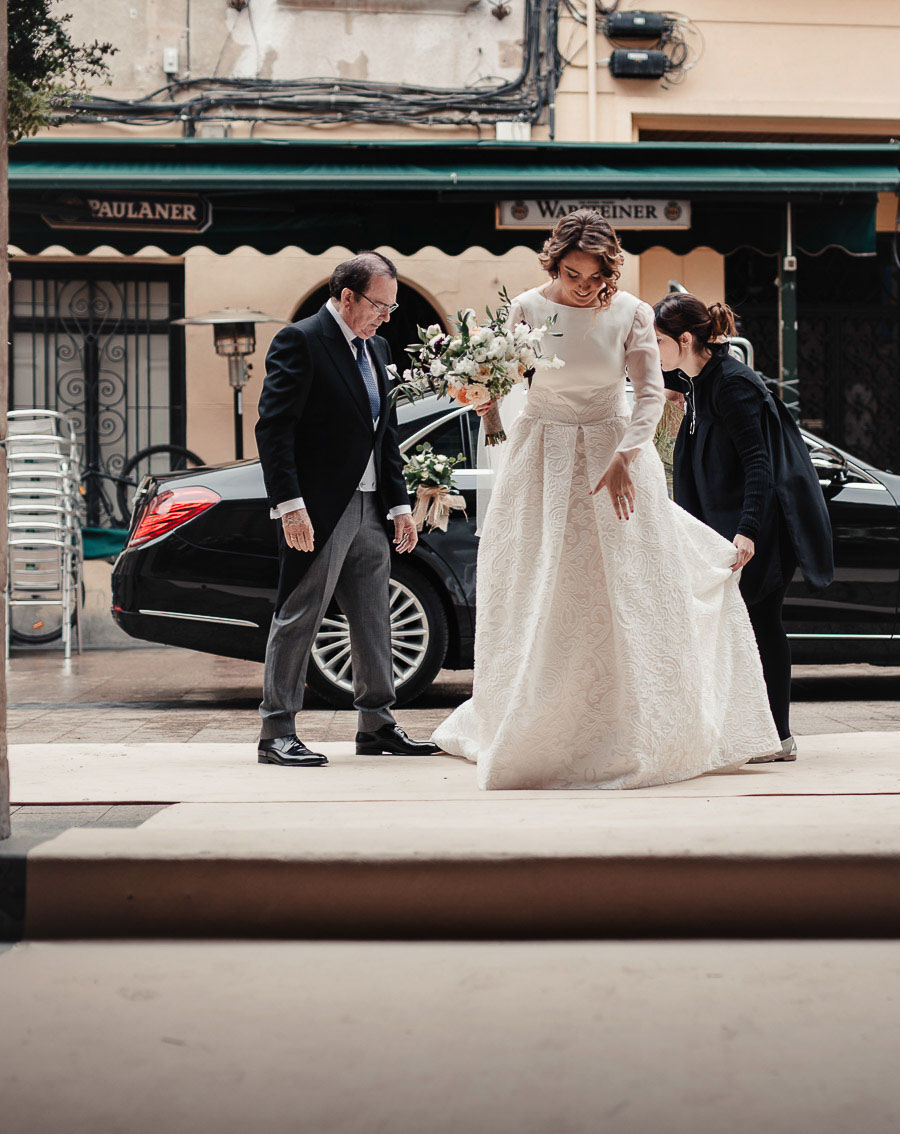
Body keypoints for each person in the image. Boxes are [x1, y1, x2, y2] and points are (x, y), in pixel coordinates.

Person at [431, 210, 781, 789]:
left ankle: (631, 727)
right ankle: (533, 722)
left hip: (615, 450)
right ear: (554, 262)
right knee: (542, 584)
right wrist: (486, 401)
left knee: (624, 588)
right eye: (573, 275)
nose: (585, 287)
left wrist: (625, 454)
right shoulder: (525, 308)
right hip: (541, 454)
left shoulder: (632, 313)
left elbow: (649, 394)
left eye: (596, 277)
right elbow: (510, 382)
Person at [252, 252, 441, 766]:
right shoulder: (301, 340)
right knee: (300, 615)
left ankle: (377, 726)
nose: (387, 316)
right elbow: (274, 429)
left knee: (373, 617)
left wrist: (401, 505)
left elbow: (387, 436)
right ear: (347, 296)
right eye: (380, 305)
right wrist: (290, 506)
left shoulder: (377, 348)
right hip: (317, 510)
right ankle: (277, 733)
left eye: (392, 307)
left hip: (371, 508)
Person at [653, 293, 835, 762]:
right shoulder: (699, 379)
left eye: (658, 341)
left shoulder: (732, 385)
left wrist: (749, 530)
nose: (654, 351)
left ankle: (779, 738)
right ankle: (753, 732)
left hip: (757, 531)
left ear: (685, 340)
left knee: (762, 625)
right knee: (742, 629)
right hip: (724, 525)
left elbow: (760, 463)